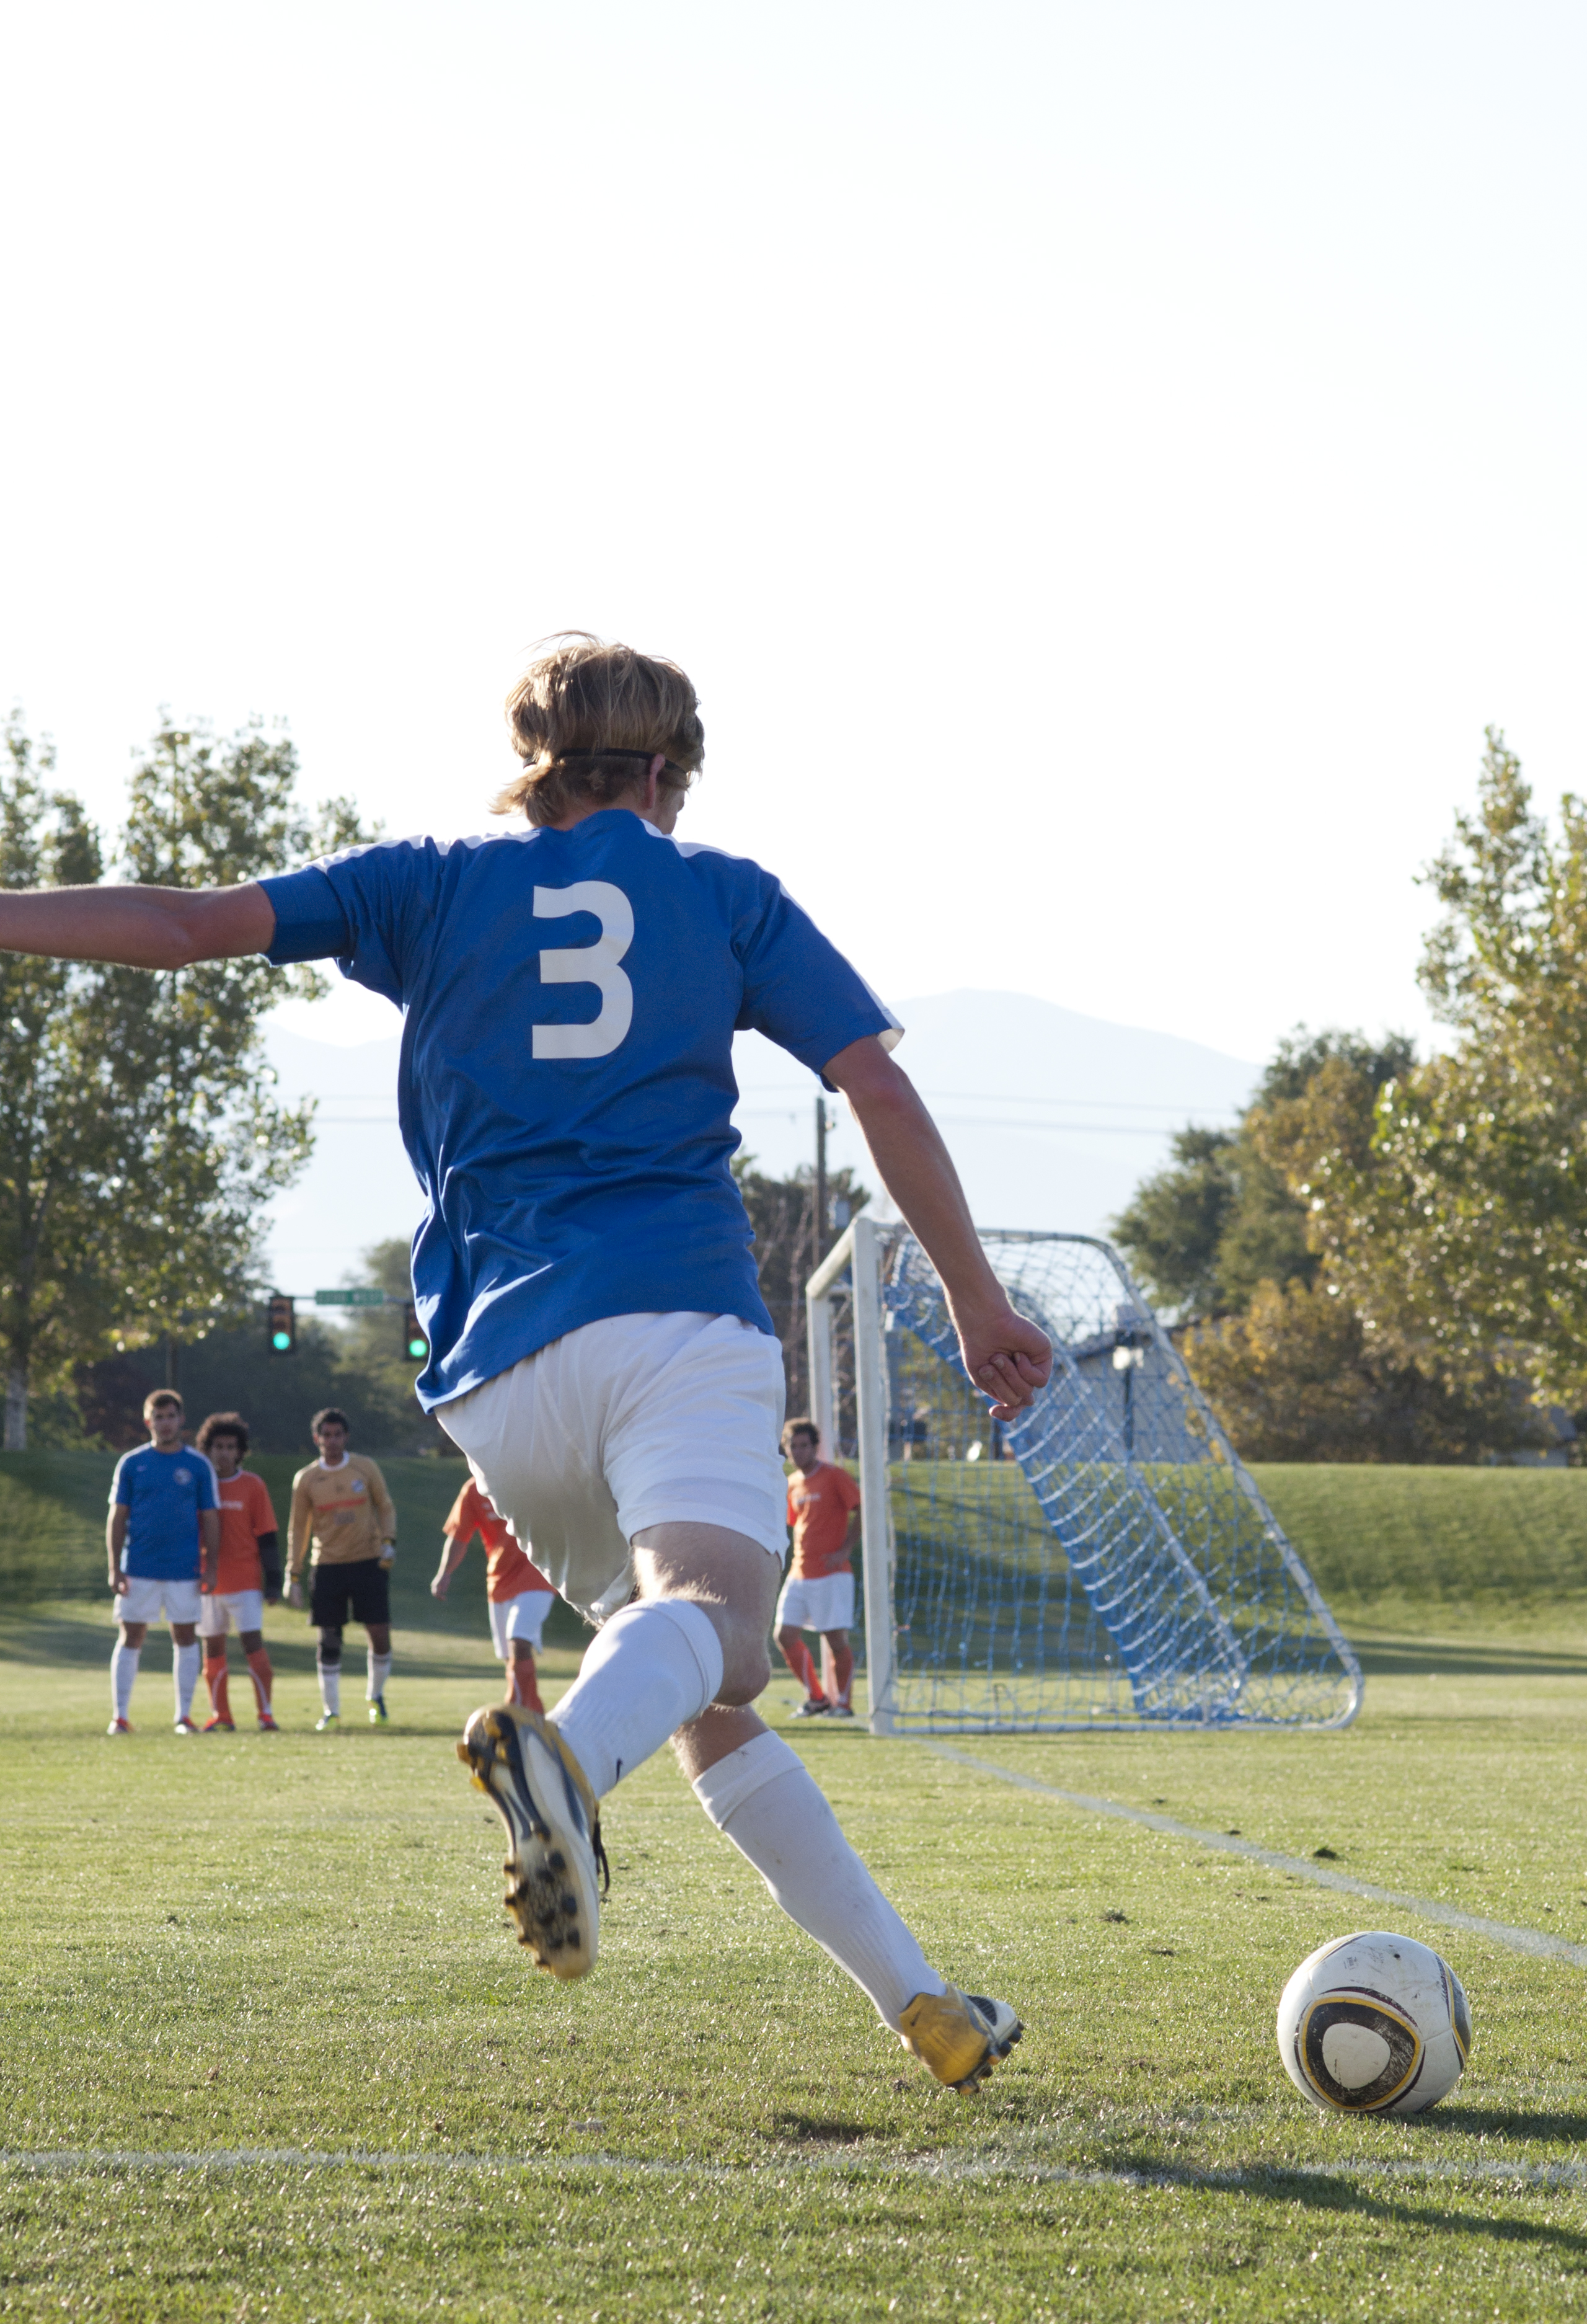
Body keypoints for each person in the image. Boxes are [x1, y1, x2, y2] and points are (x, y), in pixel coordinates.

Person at [0, 637, 1051, 2095]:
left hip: (497, 1371)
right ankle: (559, 1763)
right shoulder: (724, 893)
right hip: (673, 1313)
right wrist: (976, 1296)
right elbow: (870, 1078)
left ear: (532, 759)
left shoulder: (427, 879)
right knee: (724, 1634)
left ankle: (921, 2003)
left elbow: (183, 925)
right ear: (671, 770)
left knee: (696, 1684)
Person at [105, 1390, 222, 1735]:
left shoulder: (198, 1465)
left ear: (181, 1420)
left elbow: (212, 1519)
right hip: (139, 1567)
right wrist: (115, 1566)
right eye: (158, 1417)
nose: (165, 1423)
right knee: (131, 1636)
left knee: (185, 1637)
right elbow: (117, 1517)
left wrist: (211, 1566)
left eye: (171, 1416)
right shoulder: (131, 1463)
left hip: (184, 1569)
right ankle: (120, 1717)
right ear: (148, 1422)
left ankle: (183, 1717)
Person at [285, 1409, 397, 1730]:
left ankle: (376, 1696)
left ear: (346, 1437)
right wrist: (293, 1574)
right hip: (328, 1565)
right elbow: (298, 1529)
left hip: (367, 1561)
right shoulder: (306, 1479)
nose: (332, 1441)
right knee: (329, 1638)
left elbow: (385, 1506)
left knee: (379, 1633)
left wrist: (389, 1541)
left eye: (337, 1435)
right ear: (316, 1438)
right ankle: (331, 1711)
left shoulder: (365, 1467)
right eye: (326, 1435)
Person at [431, 1479, 555, 1714]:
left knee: (519, 1640)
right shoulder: (473, 1489)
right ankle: (534, 1714)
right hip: (499, 1579)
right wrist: (444, 1574)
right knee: (511, 1655)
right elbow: (459, 1536)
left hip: (538, 1573)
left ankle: (513, 1709)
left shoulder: (527, 1474)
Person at [193, 1410, 283, 1732]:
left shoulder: (253, 1485)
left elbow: (268, 1537)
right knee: (212, 1648)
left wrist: (273, 1583)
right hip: (208, 1581)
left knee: (252, 1645)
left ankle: (266, 1714)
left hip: (245, 1582)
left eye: (231, 1447)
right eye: (219, 1446)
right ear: (208, 1449)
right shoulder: (199, 1483)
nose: (225, 1453)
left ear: (240, 1451)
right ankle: (222, 1716)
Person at [775, 1418, 860, 1718]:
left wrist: (845, 1550)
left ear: (815, 1447)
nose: (798, 1452)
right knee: (784, 1636)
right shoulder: (792, 1483)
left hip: (831, 1574)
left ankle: (844, 1704)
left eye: (804, 1445)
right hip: (799, 1572)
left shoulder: (835, 1476)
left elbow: (861, 1508)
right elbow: (796, 1524)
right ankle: (817, 1698)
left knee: (835, 1640)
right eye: (792, 1446)